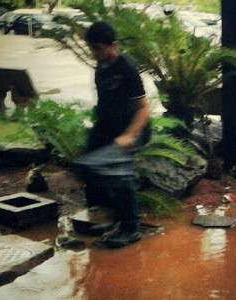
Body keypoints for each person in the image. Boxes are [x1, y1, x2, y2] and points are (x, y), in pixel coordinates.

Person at [83, 21, 151, 248]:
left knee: (121, 172)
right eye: (92, 49)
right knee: (88, 164)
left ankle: (131, 227)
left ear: (114, 45)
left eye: (99, 49)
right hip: (108, 127)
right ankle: (106, 215)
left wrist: (129, 136)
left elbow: (143, 108)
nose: (95, 54)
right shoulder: (100, 67)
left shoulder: (127, 69)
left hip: (133, 128)